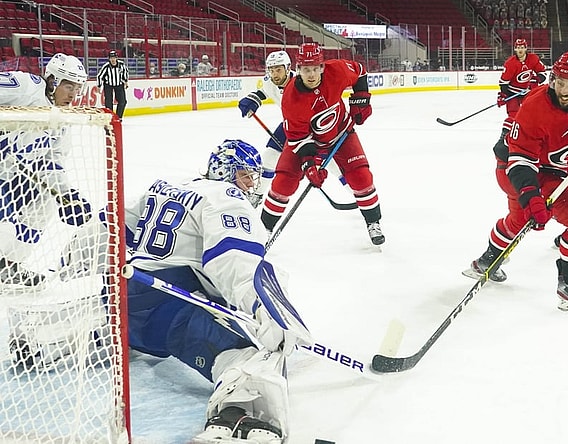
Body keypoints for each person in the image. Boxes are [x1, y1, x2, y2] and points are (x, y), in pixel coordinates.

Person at [47, 140, 310, 442]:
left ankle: (58, 333)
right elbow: (233, 260)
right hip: (172, 310)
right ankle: (242, 415)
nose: (251, 185)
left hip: (122, 301)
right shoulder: (226, 197)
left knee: (130, 313)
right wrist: (271, 313)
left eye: (253, 176)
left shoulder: (169, 185)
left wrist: (71, 260)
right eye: (245, 175)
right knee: (249, 353)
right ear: (225, 171)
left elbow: (112, 223)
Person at [464, 51, 568, 314]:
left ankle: (486, 261)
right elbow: (521, 162)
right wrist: (531, 195)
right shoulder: (535, 105)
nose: (563, 89)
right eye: (559, 81)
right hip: (515, 168)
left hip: (546, 170)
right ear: (552, 78)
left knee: (518, 219)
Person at [260, 43, 385, 245]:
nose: (311, 74)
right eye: (306, 70)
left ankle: (373, 222)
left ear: (322, 67)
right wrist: (309, 165)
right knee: (284, 183)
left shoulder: (337, 70)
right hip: (307, 140)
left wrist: (361, 99)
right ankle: (263, 229)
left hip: (341, 132)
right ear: (298, 70)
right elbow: (299, 138)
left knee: (361, 177)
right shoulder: (291, 98)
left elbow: (360, 72)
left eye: (315, 68)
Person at [0, 53, 90, 287]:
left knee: (44, 203)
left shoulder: (59, 119)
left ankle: (9, 266)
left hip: (11, 178)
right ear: (52, 80)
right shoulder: (28, 86)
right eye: (68, 86)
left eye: (77, 88)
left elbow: (52, 162)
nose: (73, 94)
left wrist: (67, 195)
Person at [238, 51, 349, 198]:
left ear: (288, 67)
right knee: (269, 158)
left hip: (315, 128)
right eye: (271, 70)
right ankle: (256, 196)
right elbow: (264, 91)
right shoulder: (269, 81)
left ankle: (356, 193)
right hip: (291, 126)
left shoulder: (301, 83)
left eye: (278, 70)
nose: (274, 74)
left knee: (330, 163)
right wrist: (253, 100)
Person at [492, 38, 546, 171]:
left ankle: (533, 138)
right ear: (515, 49)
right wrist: (504, 95)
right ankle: (504, 140)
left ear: (526, 48)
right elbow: (504, 83)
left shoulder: (533, 59)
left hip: (528, 92)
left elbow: (543, 74)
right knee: (513, 116)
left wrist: (535, 80)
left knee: (534, 114)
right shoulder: (510, 63)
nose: (520, 50)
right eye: (518, 47)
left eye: (522, 47)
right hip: (513, 93)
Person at [96, 50, 129, 121]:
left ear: (116, 58)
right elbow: (99, 76)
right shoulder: (106, 67)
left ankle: (118, 117)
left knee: (123, 101)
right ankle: (110, 117)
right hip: (108, 85)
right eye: (111, 58)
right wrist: (99, 86)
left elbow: (125, 72)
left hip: (119, 84)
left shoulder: (121, 65)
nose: (113, 59)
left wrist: (126, 81)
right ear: (109, 59)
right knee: (108, 102)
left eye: (114, 58)